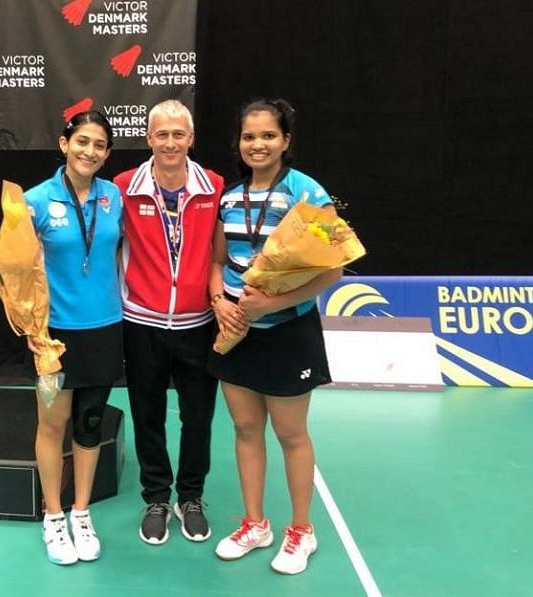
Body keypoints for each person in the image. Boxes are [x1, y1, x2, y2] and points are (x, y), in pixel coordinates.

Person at [208, 99, 342, 575]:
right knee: (245, 429)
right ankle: (255, 523)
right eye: (249, 137)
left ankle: (301, 531)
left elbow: (335, 268)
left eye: (268, 136)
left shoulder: (309, 193)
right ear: (238, 144)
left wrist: (274, 304)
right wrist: (218, 301)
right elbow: (218, 261)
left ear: (285, 140)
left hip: (288, 331)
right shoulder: (228, 197)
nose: (257, 144)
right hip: (236, 331)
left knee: (290, 434)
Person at [113, 99, 224, 545]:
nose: (171, 142)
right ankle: (157, 496)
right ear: (148, 138)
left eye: (179, 134)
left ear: (191, 139)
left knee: (199, 417)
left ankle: (190, 497)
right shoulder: (124, 186)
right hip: (142, 322)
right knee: (148, 414)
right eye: (162, 134)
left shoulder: (213, 186)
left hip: (199, 323)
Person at [23, 111, 123, 566]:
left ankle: (81, 512)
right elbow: (18, 274)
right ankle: (52, 515)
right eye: (82, 141)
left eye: (99, 145)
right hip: (55, 337)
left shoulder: (113, 198)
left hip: (104, 329)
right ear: (64, 143)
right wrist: (34, 329)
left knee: (89, 424)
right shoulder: (34, 201)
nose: (90, 151)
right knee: (52, 424)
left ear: (107, 153)